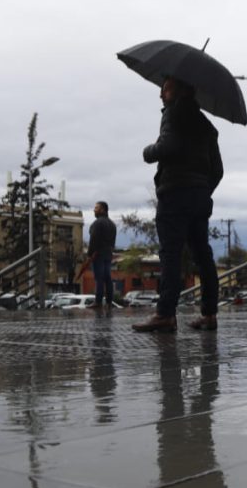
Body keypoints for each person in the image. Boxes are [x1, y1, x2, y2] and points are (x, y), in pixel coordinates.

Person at [133, 77, 223, 333]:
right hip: (199, 198)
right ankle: (209, 314)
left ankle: (165, 314)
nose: (161, 94)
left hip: (175, 195)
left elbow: (167, 146)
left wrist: (148, 151)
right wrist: (203, 189)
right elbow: (217, 169)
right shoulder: (207, 127)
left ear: (181, 90)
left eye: (166, 88)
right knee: (202, 255)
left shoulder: (173, 114)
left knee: (170, 254)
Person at [87, 201, 117, 307]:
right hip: (108, 254)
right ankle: (109, 301)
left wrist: (89, 254)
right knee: (108, 277)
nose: (94, 210)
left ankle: (98, 301)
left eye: (96, 208)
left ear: (102, 210)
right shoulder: (113, 224)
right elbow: (113, 242)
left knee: (99, 278)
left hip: (98, 254)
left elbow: (93, 240)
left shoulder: (97, 223)